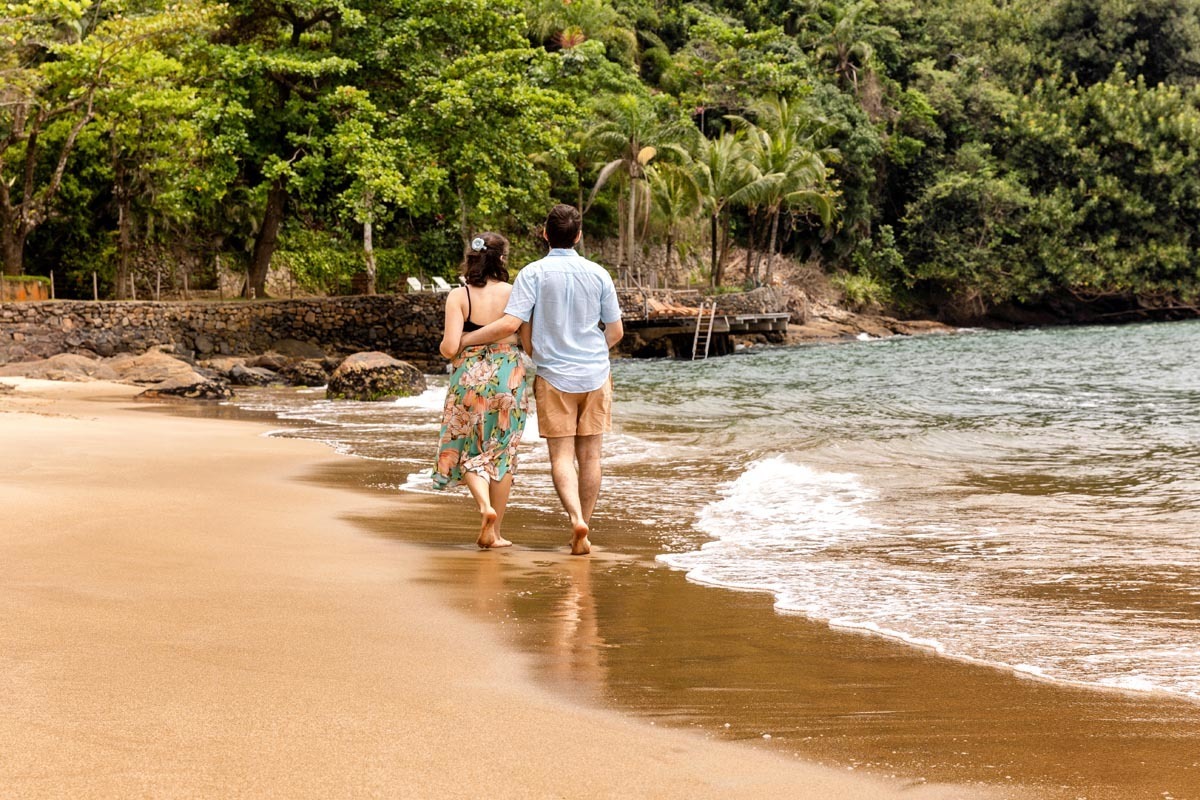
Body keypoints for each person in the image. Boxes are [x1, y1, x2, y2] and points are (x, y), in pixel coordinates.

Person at [461, 205, 623, 555]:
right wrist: (595, 352)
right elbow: (615, 331)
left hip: (554, 376)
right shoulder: (599, 274)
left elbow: (513, 324)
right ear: (578, 236)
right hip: (596, 374)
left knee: (562, 456)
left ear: (545, 234)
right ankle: (584, 527)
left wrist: (465, 341)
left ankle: (575, 516)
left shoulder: (532, 274)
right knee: (591, 456)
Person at [431, 231, 531, 549]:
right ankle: (495, 531)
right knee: (502, 454)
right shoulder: (515, 292)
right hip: (508, 377)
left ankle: (483, 506)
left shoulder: (459, 296)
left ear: (472, 258)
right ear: (502, 259)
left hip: (467, 379)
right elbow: (528, 344)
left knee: (469, 450)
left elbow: (449, 348)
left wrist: (459, 343)